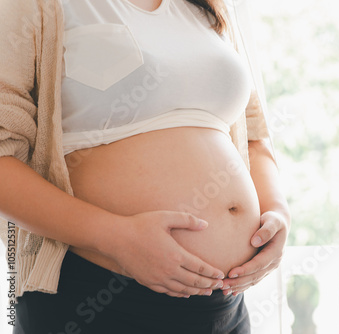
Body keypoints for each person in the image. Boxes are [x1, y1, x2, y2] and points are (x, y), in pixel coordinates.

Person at [0, 0, 291, 333]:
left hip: (223, 305)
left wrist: (277, 211)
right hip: (96, 295)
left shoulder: (209, 7)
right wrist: (116, 238)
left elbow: (254, 137)